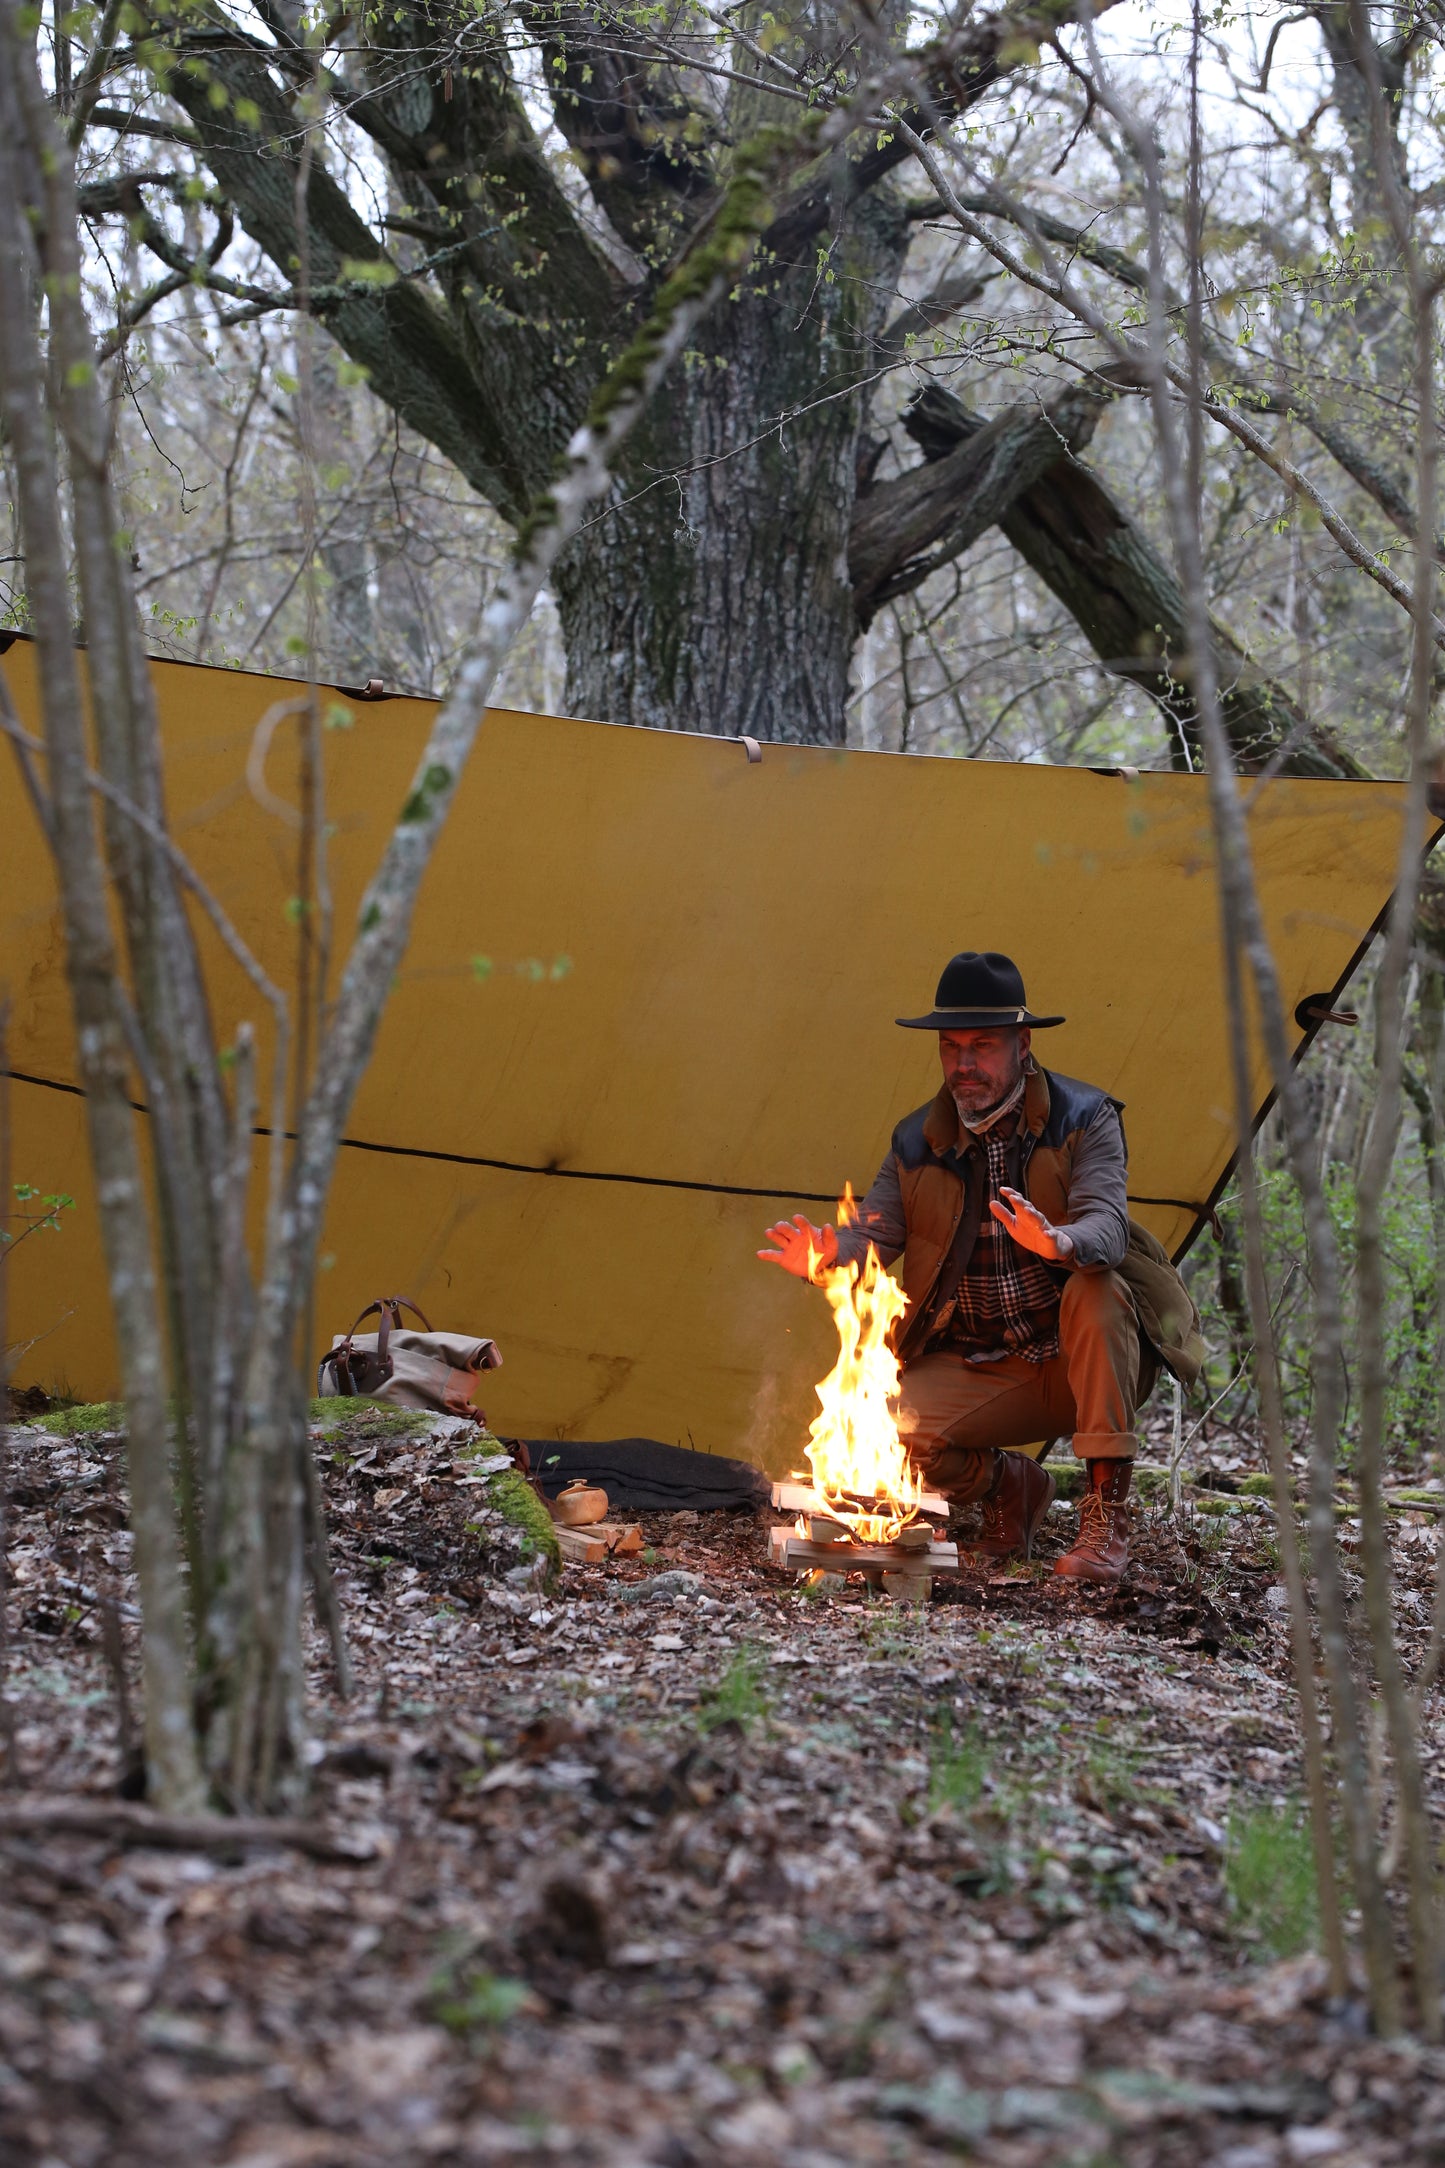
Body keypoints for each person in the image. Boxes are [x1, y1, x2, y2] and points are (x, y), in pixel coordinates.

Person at [759, 951, 1201, 1586]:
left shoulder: (1087, 1118)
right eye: (951, 1046)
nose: (964, 1065)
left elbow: (1106, 1224)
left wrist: (1058, 1242)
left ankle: (1105, 1523)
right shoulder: (916, 1141)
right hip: (986, 1365)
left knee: (1096, 1291)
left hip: (1085, 1359)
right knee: (878, 1427)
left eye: (983, 1046)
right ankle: (1012, 1488)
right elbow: (873, 1240)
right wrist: (829, 1259)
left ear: (1023, 1046)